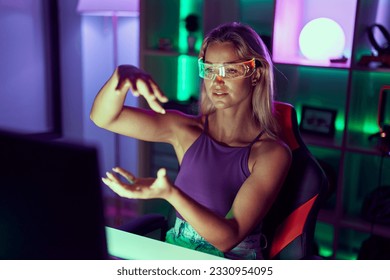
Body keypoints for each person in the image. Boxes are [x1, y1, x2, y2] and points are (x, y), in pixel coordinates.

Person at [91, 22, 291, 260]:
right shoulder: (186, 130)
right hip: (174, 256)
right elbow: (104, 118)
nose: (217, 82)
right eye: (210, 70)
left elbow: (228, 237)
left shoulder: (272, 154)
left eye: (231, 70)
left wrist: (170, 193)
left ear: (256, 73)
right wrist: (119, 78)